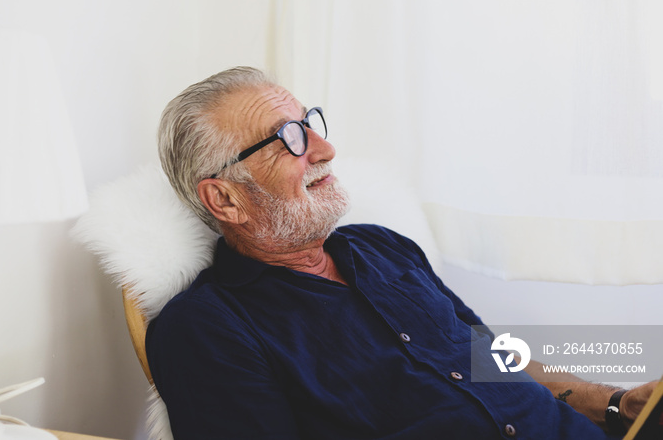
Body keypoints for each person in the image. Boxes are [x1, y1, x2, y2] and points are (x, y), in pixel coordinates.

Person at [147, 66, 654, 439]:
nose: (325, 150)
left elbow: (491, 361)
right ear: (225, 198)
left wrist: (618, 405)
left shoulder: (383, 247)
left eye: (311, 123)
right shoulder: (207, 328)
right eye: (289, 139)